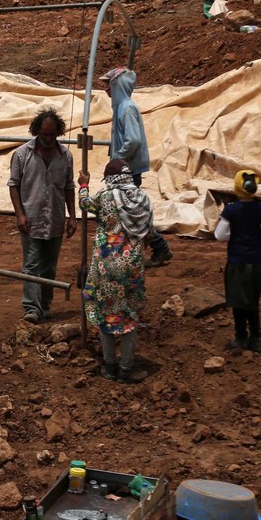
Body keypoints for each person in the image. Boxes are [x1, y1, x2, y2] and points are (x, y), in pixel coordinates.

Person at [79, 158, 153, 383]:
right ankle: (126, 369)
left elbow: (85, 205)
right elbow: (148, 230)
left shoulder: (106, 196)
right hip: (131, 264)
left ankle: (109, 366)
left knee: (105, 312)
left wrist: (84, 185)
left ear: (110, 178)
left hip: (106, 264)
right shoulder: (142, 198)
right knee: (128, 314)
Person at [8, 108, 78, 324]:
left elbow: (68, 187)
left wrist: (72, 217)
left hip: (55, 219)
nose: (48, 139)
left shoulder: (65, 155)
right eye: (44, 134)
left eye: (52, 134)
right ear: (37, 131)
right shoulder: (21, 155)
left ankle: (45, 305)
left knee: (49, 266)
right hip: (31, 220)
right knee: (31, 265)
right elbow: (14, 185)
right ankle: (31, 307)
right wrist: (20, 214)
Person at [102, 66, 173, 269]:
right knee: (130, 213)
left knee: (129, 214)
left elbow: (132, 141)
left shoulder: (126, 108)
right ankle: (152, 248)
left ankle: (157, 247)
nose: (106, 89)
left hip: (127, 171)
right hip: (126, 170)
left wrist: (116, 160)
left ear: (117, 85)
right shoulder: (121, 107)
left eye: (109, 84)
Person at [214, 169, 261, 352]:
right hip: (255, 262)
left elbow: (220, 235)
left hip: (235, 262)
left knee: (237, 301)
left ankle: (240, 337)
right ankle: (256, 338)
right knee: (252, 301)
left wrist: (235, 232)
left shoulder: (231, 210)